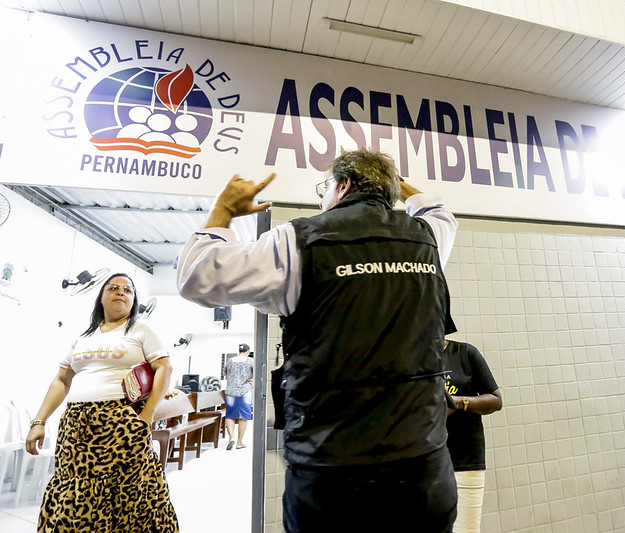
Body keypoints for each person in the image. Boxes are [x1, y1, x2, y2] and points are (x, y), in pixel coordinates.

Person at [177, 148, 459, 532]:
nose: (321, 199)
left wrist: (223, 210)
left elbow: (196, 277)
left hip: (333, 477)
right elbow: (436, 208)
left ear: (342, 186)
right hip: (425, 471)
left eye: (324, 188)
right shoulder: (429, 239)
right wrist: (390, 184)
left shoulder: (297, 241)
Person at [25, 273, 179, 533]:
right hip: (76, 424)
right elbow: (61, 380)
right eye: (113, 288)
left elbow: (164, 367)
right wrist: (39, 421)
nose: (120, 292)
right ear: (101, 297)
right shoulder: (83, 337)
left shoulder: (140, 330)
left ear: (133, 301)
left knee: (130, 491)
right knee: (75, 490)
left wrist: (146, 417)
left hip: (120, 420)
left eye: (128, 290)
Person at [442, 339, 503, 533]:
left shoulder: (465, 353)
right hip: (423, 462)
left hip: (465, 460)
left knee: (466, 528)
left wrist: (459, 402)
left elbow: (495, 400)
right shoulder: (409, 356)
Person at [224, 342, 255, 450]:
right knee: (243, 417)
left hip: (230, 391)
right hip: (245, 391)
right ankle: (239, 442)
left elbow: (225, 374)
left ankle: (231, 438)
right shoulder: (251, 361)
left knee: (230, 415)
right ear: (248, 352)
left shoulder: (229, 360)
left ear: (239, 351)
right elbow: (256, 374)